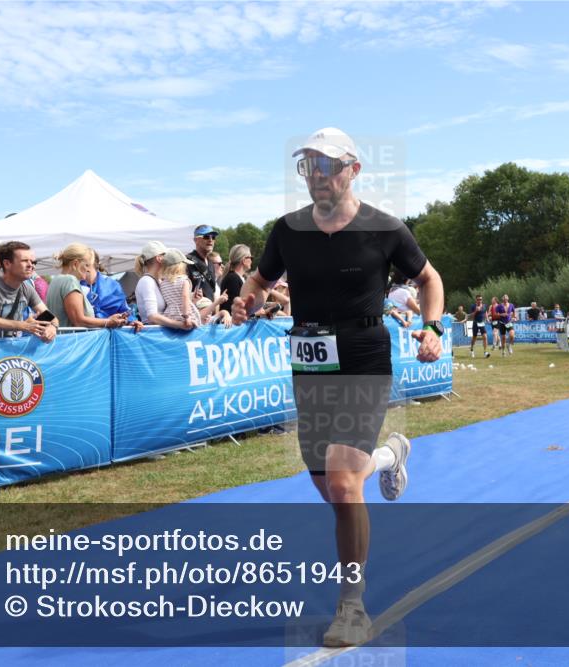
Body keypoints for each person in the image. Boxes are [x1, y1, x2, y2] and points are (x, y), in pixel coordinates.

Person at [230, 127, 443, 647]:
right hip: (310, 364)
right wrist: (249, 299)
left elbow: (429, 279)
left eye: (327, 166)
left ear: (354, 170)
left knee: (346, 486)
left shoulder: (385, 229)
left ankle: (352, 606)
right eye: (309, 167)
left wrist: (432, 326)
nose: (318, 176)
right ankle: (391, 457)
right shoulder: (287, 230)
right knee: (332, 487)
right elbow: (260, 279)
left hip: (365, 359)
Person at [0, 241, 58, 342]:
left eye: (33, 262)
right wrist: (23, 325)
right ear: (7, 264)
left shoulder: (27, 287)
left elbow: (52, 318)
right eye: (25, 261)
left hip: (14, 349)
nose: (31, 265)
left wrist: (52, 328)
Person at [46, 243, 131, 329]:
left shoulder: (55, 281)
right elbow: (79, 321)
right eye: (86, 265)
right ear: (75, 264)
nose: (88, 270)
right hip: (75, 340)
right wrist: (108, 322)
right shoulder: (70, 281)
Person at [134, 241, 196, 330]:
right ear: (159, 258)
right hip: (153, 334)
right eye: (166, 255)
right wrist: (180, 325)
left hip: (162, 333)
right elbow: (152, 316)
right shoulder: (146, 281)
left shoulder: (160, 281)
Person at [82, 249, 133, 319]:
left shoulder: (113, 286)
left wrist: (132, 322)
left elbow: (125, 312)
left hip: (110, 329)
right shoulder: (74, 284)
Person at [160, 248, 202, 327]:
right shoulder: (184, 281)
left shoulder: (163, 283)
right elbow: (185, 297)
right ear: (180, 266)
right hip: (183, 314)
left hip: (169, 315)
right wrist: (187, 316)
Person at [186, 225, 220, 300]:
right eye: (206, 236)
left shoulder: (211, 263)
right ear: (196, 240)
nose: (210, 240)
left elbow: (212, 293)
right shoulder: (187, 261)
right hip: (195, 310)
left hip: (210, 310)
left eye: (213, 237)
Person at [220, 244, 252, 312]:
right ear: (244, 260)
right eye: (250, 258)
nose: (252, 261)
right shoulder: (233, 279)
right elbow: (233, 307)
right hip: (230, 321)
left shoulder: (236, 278)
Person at [469, 294, 490, 358]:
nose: (479, 301)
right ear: (476, 300)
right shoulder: (473, 306)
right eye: (478, 299)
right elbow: (471, 316)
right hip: (475, 323)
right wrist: (476, 310)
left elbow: (485, 312)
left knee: (485, 337)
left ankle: (485, 352)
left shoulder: (484, 305)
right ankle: (472, 349)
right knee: (474, 338)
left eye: (480, 299)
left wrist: (487, 318)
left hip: (482, 323)